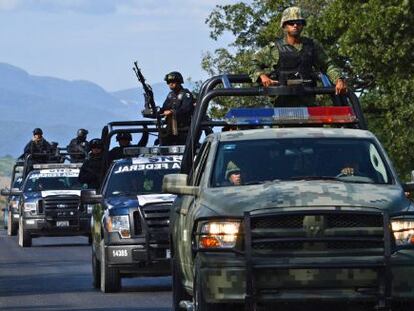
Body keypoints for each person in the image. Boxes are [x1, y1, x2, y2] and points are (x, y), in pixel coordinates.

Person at [250, 6, 347, 106]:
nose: (295, 25)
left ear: (302, 25)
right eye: (291, 23)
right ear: (284, 26)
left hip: (308, 102)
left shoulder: (312, 46)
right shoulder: (273, 48)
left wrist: (339, 79)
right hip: (282, 105)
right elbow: (253, 63)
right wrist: (262, 76)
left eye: (298, 22)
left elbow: (328, 65)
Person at [159, 71, 194, 145]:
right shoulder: (170, 95)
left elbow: (186, 109)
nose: (170, 84)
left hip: (184, 129)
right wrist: (155, 111)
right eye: (168, 82)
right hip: (171, 129)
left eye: (173, 82)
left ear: (179, 82)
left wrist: (172, 112)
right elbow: (164, 108)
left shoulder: (186, 94)